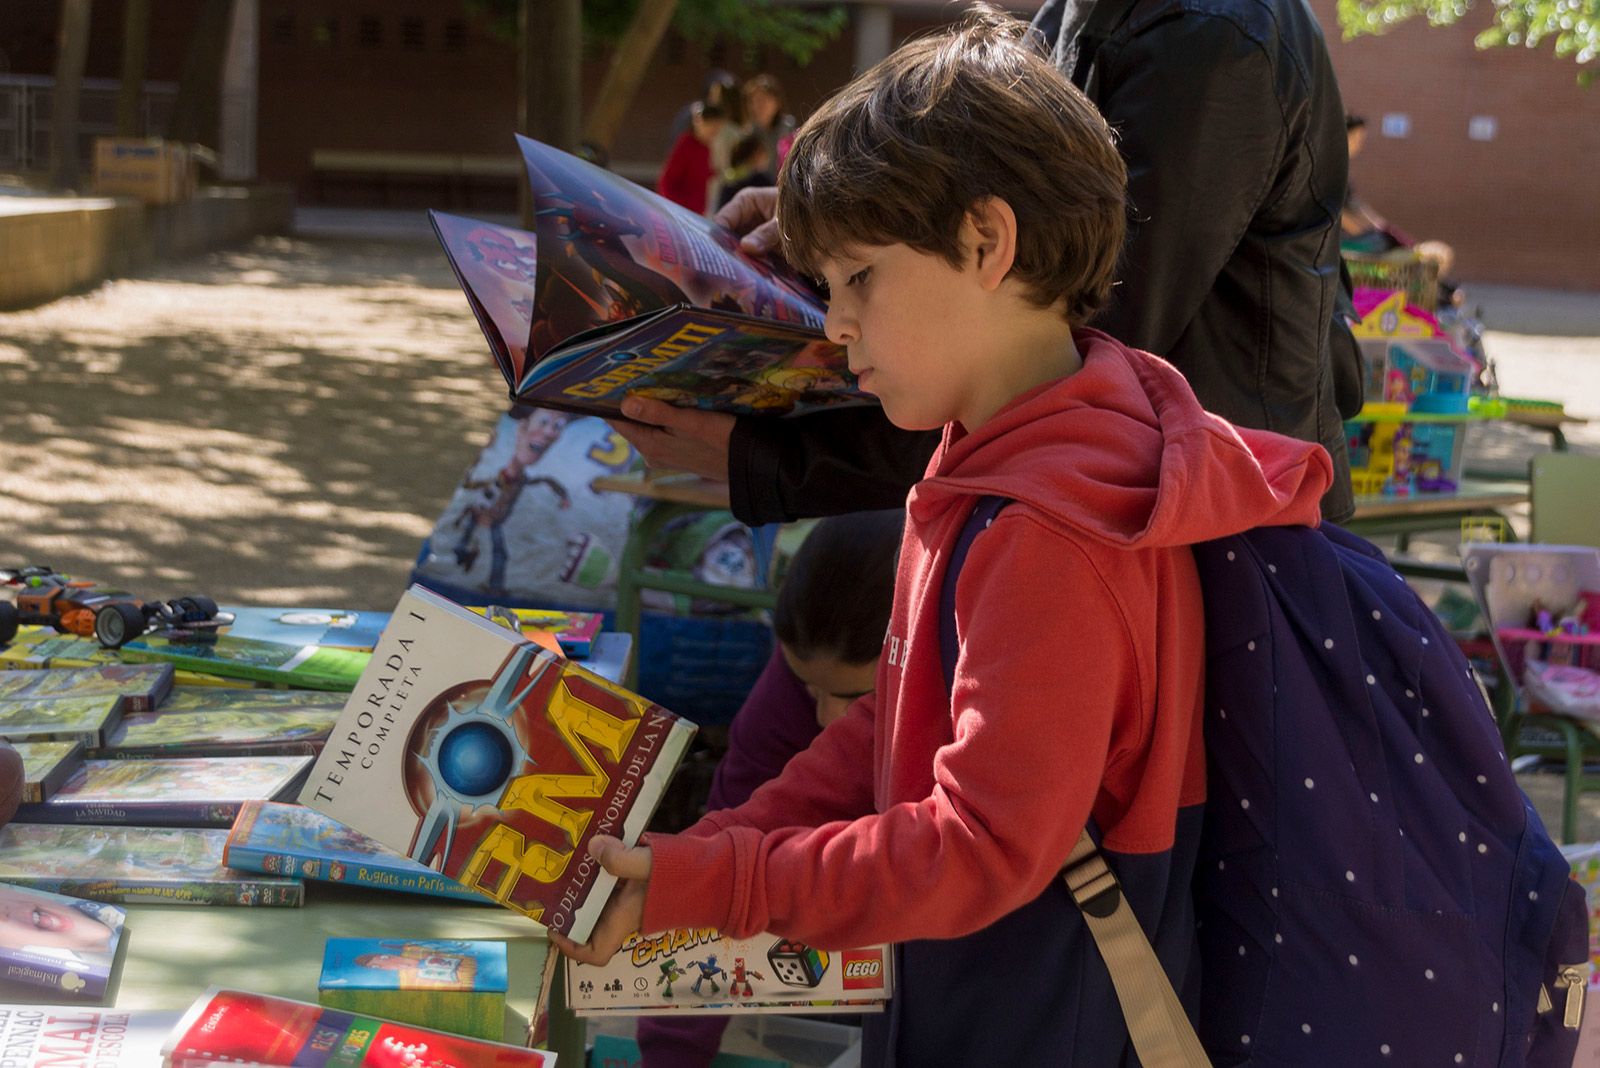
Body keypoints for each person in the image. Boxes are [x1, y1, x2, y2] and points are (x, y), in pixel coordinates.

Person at [552, 12, 1331, 1064]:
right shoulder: (1008, 446)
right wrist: (714, 849)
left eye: (858, 280)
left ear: (985, 241)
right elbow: (905, 720)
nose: (833, 328)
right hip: (995, 980)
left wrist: (723, 881)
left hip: (1045, 1007)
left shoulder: (1048, 524)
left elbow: (984, 843)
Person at [610, 0, 1360, 527]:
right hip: (1101, 495)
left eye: (859, 281)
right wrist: (841, 226)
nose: (843, 325)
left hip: (1201, 530)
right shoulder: (1077, 14)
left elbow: (1057, 342)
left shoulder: (1213, 34)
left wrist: (773, 465)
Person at [635, 508, 902, 1068]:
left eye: (858, 699)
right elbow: (717, 867)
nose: (829, 719)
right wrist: (673, 1054)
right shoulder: (780, 708)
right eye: (807, 687)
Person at [657, 102, 726, 215]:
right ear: (699, 122)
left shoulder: (708, 148)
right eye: (711, 127)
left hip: (699, 213)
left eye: (717, 129)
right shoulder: (686, 145)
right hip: (680, 212)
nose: (714, 133)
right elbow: (666, 182)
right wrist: (675, 209)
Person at [714, 133, 773, 212]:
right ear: (756, 155)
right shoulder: (762, 181)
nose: (767, 159)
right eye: (764, 154)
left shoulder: (728, 180)